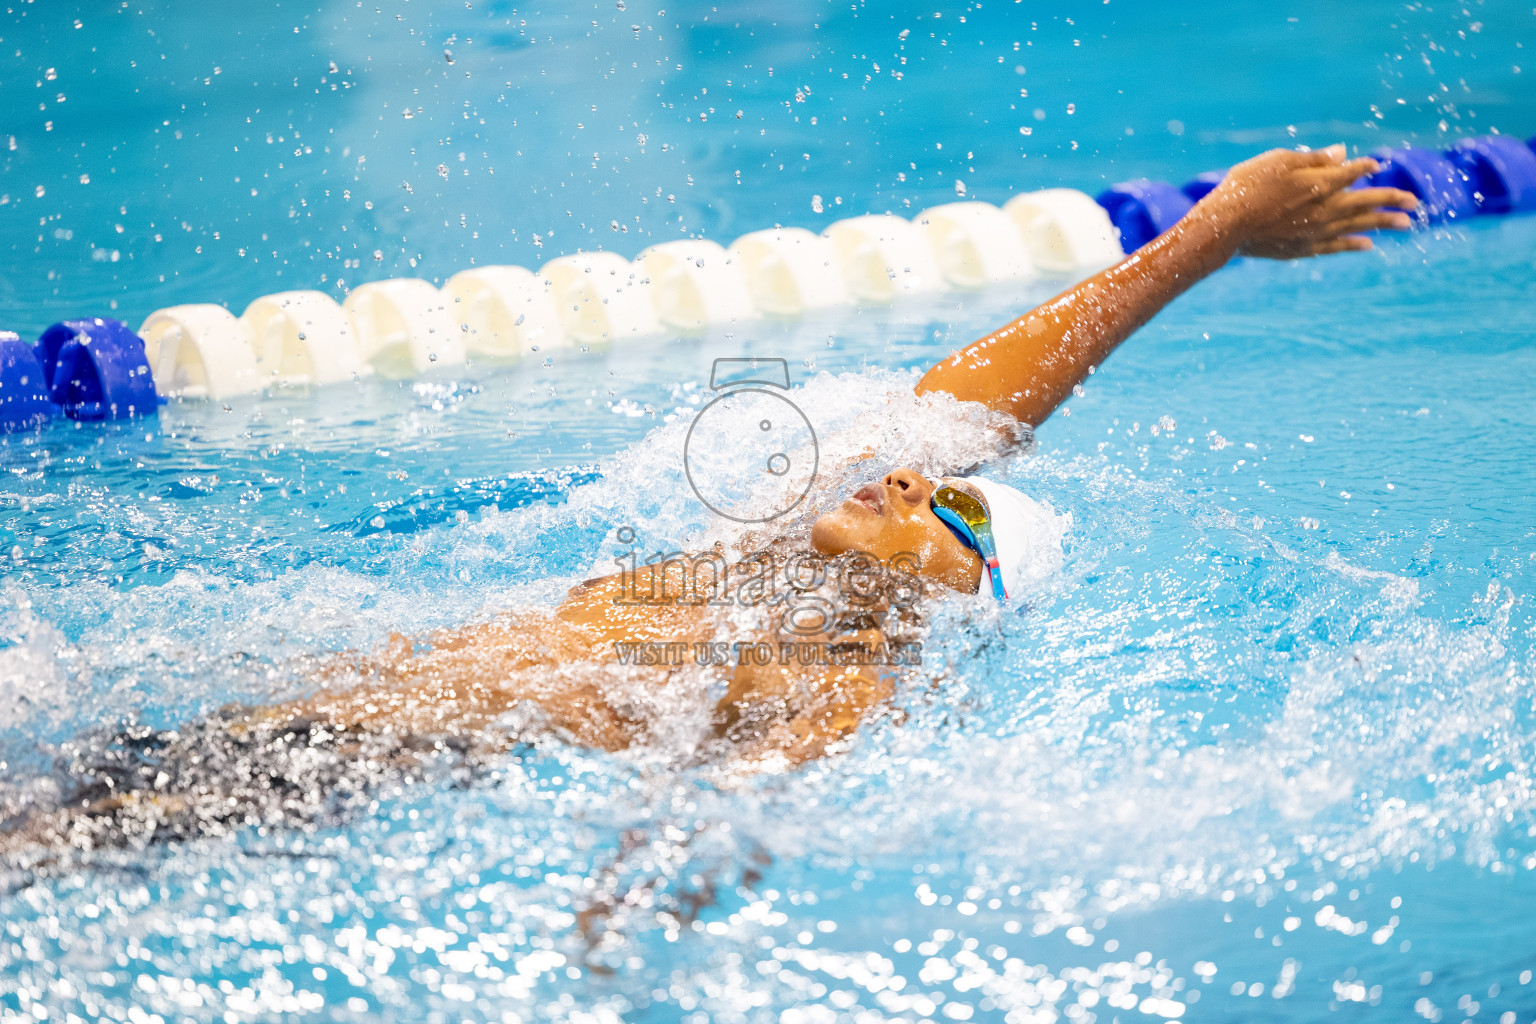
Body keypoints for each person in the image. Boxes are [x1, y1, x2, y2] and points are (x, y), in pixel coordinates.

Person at [3, 146, 1415, 853]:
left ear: (948, 596)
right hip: (215, 727)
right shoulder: (754, 572)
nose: (918, 471)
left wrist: (614, 928)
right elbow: (984, 403)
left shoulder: (844, 682)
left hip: (280, 786)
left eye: (952, 510)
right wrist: (1215, 230)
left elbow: (708, 835)